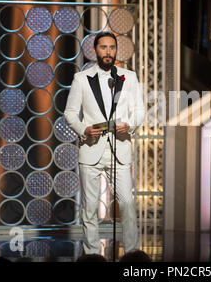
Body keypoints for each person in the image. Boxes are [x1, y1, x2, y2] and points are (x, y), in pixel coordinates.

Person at [64, 31, 145, 255]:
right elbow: (70, 112)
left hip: (120, 148)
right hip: (91, 148)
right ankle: (91, 255)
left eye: (112, 47)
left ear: (116, 50)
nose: (108, 52)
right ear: (95, 50)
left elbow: (139, 110)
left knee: (127, 205)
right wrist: (84, 129)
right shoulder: (82, 78)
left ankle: (132, 255)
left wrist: (130, 125)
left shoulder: (129, 77)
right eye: (103, 47)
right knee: (89, 208)